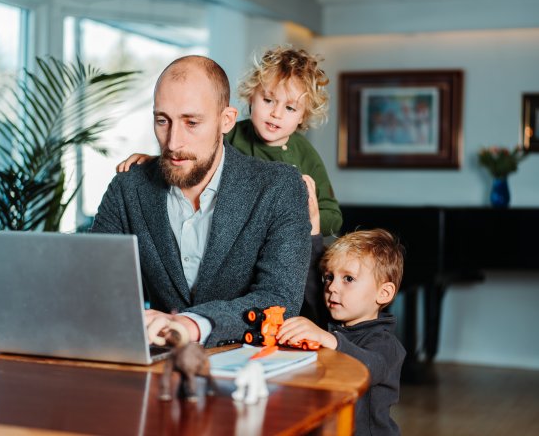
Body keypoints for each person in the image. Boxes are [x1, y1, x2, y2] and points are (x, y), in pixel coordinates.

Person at [91, 55, 312, 348]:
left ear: (226, 121)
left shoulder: (280, 187)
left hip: (249, 375)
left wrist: (192, 324)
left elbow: (278, 299)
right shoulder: (127, 188)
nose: (173, 142)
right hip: (155, 370)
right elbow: (95, 286)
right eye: (162, 121)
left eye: (191, 122)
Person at [116, 46, 342, 236]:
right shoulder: (230, 134)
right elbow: (196, 156)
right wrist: (154, 161)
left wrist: (305, 216)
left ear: (303, 115)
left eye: (290, 108)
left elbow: (333, 216)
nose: (276, 113)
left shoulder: (305, 154)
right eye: (268, 100)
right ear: (251, 96)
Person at [276, 228, 406, 436]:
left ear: (384, 293)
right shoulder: (334, 324)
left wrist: (327, 339)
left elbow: (368, 367)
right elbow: (312, 281)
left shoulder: (385, 343)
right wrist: (314, 231)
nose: (332, 287)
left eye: (348, 279)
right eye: (329, 277)